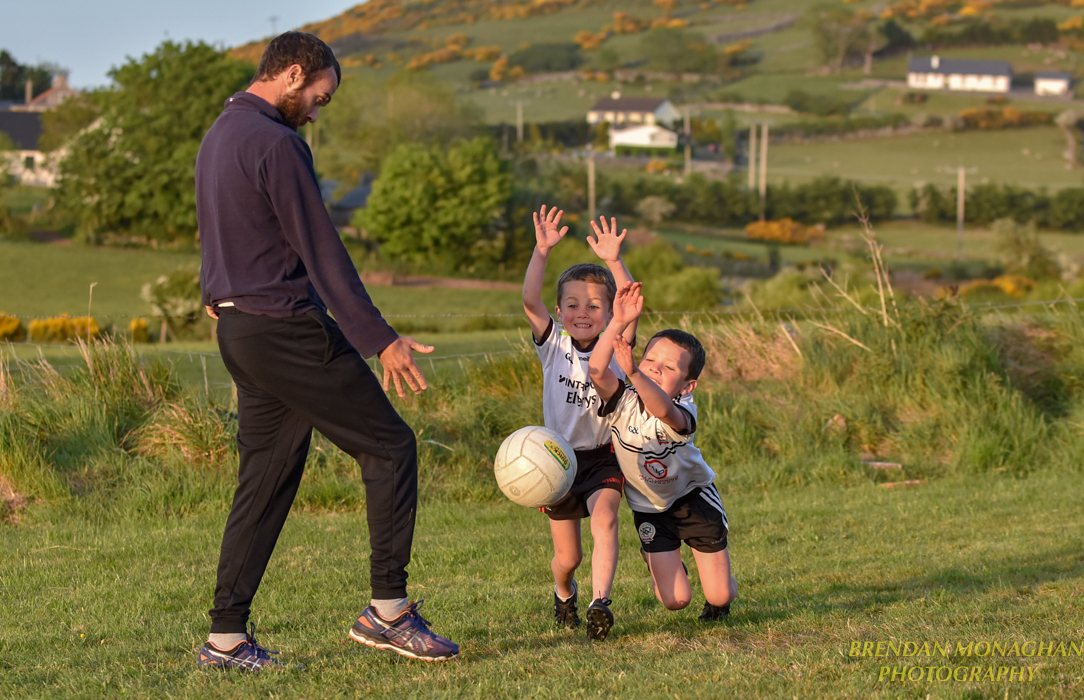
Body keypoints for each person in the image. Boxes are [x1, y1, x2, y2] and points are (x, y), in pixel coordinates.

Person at [194, 31, 458, 670]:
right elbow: (321, 250)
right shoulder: (277, 143)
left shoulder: (220, 134)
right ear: (291, 75)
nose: (317, 110)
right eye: (319, 96)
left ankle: (225, 639)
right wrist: (380, 339)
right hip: (286, 329)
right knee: (390, 447)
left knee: (265, 479)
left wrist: (215, 288)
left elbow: (218, 222)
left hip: (239, 330)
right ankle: (388, 612)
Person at [588, 282, 737, 621]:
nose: (655, 367)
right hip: (649, 508)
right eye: (650, 359)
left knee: (720, 593)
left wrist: (634, 372)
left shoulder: (683, 408)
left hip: (693, 499)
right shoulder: (623, 400)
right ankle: (661, 558)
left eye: (669, 368)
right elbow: (597, 371)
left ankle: (721, 591)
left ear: (687, 385)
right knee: (675, 601)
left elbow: (662, 411)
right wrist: (617, 322)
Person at [522, 206, 636, 641]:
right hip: (558, 461)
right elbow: (530, 300)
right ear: (559, 310)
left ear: (610, 312)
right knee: (566, 557)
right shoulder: (554, 344)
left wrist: (614, 259)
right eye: (572, 304)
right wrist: (541, 251)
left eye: (593, 305)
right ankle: (564, 591)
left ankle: (599, 602)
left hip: (605, 457)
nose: (582, 312)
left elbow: (629, 299)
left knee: (605, 518)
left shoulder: (617, 340)